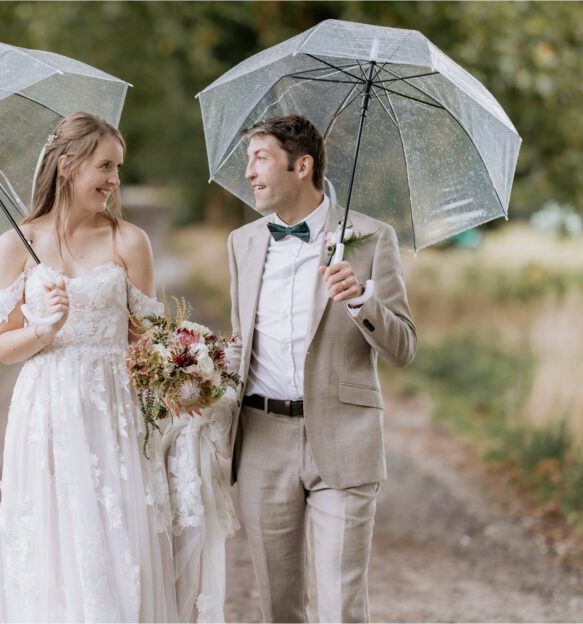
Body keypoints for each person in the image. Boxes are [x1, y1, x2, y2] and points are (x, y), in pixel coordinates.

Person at [0, 112, 178, 622]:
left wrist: (184, 372)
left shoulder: (129, 241)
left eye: (118, 168)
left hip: (113, 411)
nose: (115, 181)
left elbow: (150, 341)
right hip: (45, 413)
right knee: (53, 547)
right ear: (68, 166)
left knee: (118, 545)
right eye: (106, 166)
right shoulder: (15, 244)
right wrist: (43, 330)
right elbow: (3, 347)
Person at [224, 115, 417, 623]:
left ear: (301, 165)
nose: (249, 172)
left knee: (340, 607)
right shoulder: (241, 244)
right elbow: (240, 345)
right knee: (279, 608)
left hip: (344, 438)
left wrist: (363, 300)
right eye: (249, 160)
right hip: (261, 439)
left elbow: (403, 349)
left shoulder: (371, 238)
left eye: (260, 157)